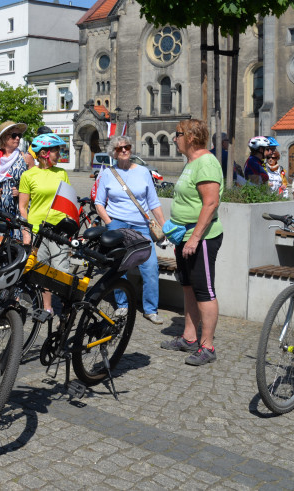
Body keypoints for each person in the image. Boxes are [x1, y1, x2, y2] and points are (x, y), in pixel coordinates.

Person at [162, 118, 224, 366]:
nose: (174, 139)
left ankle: (207, 346)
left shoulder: (206, 162)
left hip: (202, 238)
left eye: (176, 134)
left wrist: (195, 238)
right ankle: (189, 337)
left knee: (204, 291)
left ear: (189, 136)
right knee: (188, 286)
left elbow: (211, 203)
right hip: (184, 236)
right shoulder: (191, 162)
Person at [93, 135, 167, 325]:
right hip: (117, 224)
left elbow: (153, 203)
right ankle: (122, 305)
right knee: (120, 266)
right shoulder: (107, 174)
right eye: (119, 148)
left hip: (141, 225)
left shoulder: (143, 172)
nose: (124, 150)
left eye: (127, 146)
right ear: (114, 153)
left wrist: (165, 227)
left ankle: (150, 309)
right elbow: (99, 203)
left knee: (150, 266)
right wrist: (110, 223)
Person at [19, 133, 71, 312]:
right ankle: (47, 308)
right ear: (44, 153)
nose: (60, 154)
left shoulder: (62, 173)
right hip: (37, 230)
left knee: (62, 271)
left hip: (58, 230)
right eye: (57, 150)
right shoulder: (28, 175)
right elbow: (23, 207)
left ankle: (66, 309)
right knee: (42, 270)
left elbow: (68, 202)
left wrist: (70, 225)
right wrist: (26, 232)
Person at [0, 121, 32, 219]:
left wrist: (22, 192)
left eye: (19, 135)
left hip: (19, 211)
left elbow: (35, 186)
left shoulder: (26, 158)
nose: (17, 138)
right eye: (14, 135)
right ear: (4, 138)